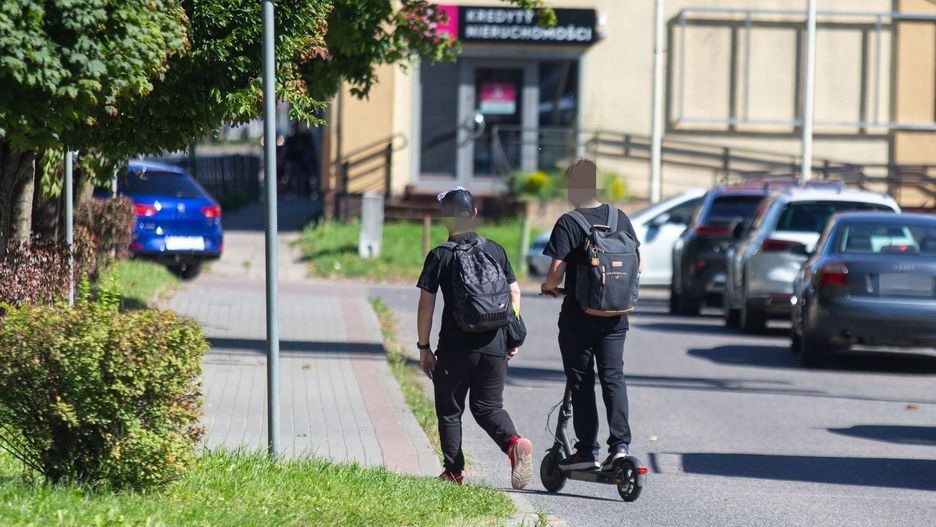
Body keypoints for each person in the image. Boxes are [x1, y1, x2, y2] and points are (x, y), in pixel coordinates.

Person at [416, 187, 533, 488]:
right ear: (474, 215)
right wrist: (511, 335)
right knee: (488, 407)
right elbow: (514, 292)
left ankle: (454, 472)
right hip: (495, 345)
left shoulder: (440, 255)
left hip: (456, 349)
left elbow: (426, 304)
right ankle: (514, 443)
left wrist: (424, 347)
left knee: (450, 409)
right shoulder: (494, 250)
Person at [540, 158, 641, 472]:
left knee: (582, 381)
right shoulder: (619, 217)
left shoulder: (570, 223)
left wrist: (549, 286)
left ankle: (586, 450)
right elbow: (639, 263)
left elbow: (556, 272)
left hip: (579, 317)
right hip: (616, 316)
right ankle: (621, 446)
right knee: (613, 378)